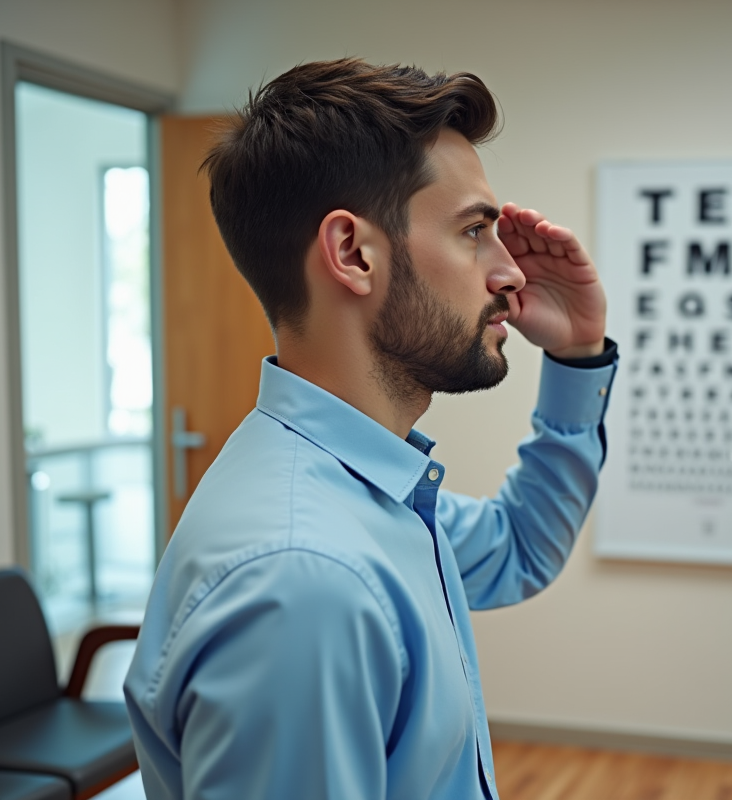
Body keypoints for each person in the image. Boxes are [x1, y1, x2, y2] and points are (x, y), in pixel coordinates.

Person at [124, 59, 616, 800]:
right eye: (474, 231)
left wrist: (578, 354)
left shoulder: (359, 489)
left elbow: (518, 548)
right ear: (353, 253)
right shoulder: (305, 580)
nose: (512, 273)